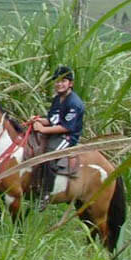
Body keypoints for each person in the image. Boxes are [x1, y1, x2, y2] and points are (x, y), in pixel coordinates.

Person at [30, 65, 84, 211]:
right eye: (57, 81)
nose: (59, 84)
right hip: (55, 132)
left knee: (48, 156)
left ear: (70, 83)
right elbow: (53, 120)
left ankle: (45, 194)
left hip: (66, 137)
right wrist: (39, 120)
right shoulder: (57, 99)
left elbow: (66, 127)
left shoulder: (74, 103)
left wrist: (43, 129)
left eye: (63, 81)